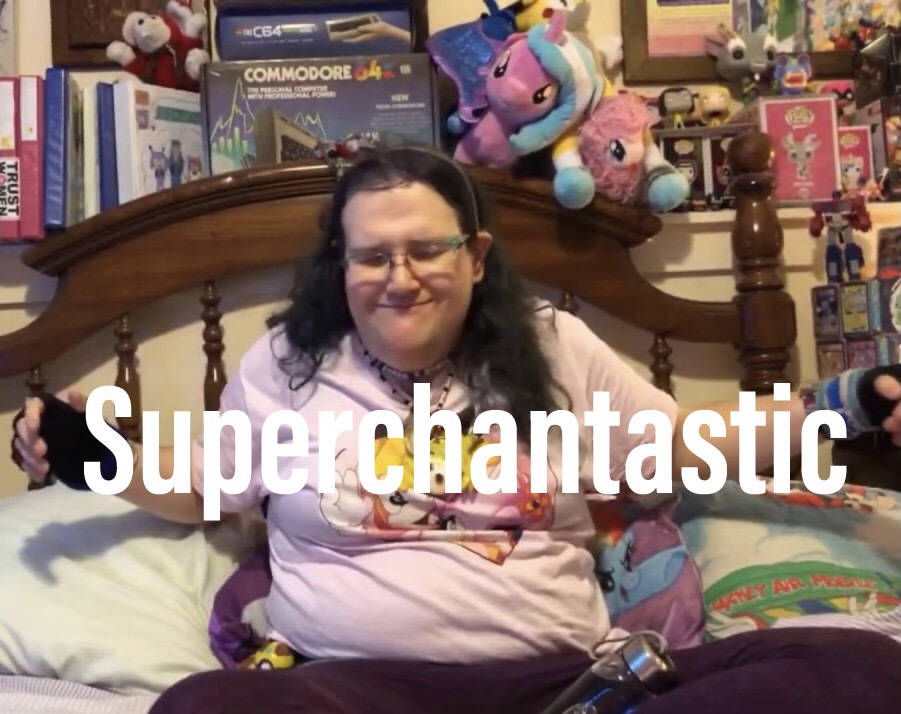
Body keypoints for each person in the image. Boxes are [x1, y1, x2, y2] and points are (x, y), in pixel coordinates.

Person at [11, 145, 901, 714]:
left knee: (857, 671)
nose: (398, 277)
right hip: (355, 691)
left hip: (569, 690)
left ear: (474, 257)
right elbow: (205, 482)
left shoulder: (554, 346)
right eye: (371, 255)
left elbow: (685, 444)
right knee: (204, 711)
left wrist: (847, 403)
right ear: (342, 265)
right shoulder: (287, 365)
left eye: (426, 249)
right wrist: (95, 455)